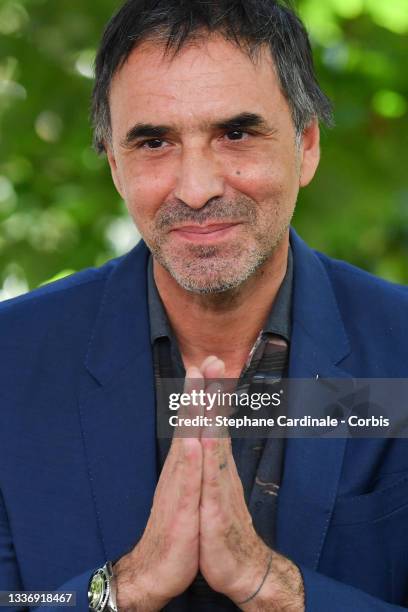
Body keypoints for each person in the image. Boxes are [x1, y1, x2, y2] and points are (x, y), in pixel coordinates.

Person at [0, 0, 407, 610]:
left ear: (308, 145)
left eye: (236, 133)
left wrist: (272, 586)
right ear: (114, 165)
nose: (196, 189)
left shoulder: (400, 348)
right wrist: (124, 589)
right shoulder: (11, 359)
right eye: (155, 142)